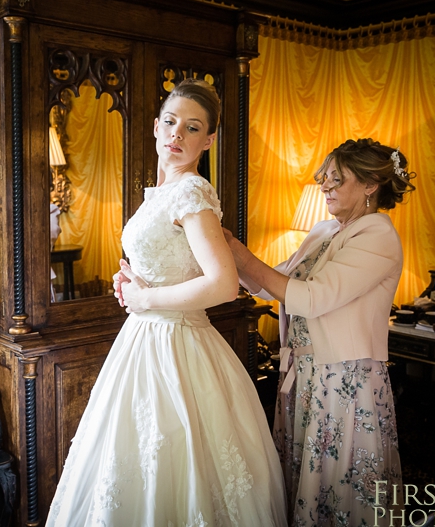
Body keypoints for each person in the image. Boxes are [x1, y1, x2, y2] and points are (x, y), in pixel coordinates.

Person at [47, 79, 288, 526]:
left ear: (209, 140)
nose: (178, 135)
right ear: (157, 127)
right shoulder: (161, 193)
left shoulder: (191, 192)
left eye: (193, 128)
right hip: (144, 339)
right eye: (172, 123)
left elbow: (221, 284)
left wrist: (144, 295)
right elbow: (176, 264)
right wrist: (134, 280)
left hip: (176, 343)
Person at [223, 138, 414, 526]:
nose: (324, 186)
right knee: (305, 479)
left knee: (337, 486)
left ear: (370, 185)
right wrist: (224, 252)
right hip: (306, 376)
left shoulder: (377, 235)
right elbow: (271, 283)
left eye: (336, 178)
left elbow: (311, 299)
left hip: (346, 381)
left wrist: (240, 254)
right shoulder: (324, 231)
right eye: (323, 178)